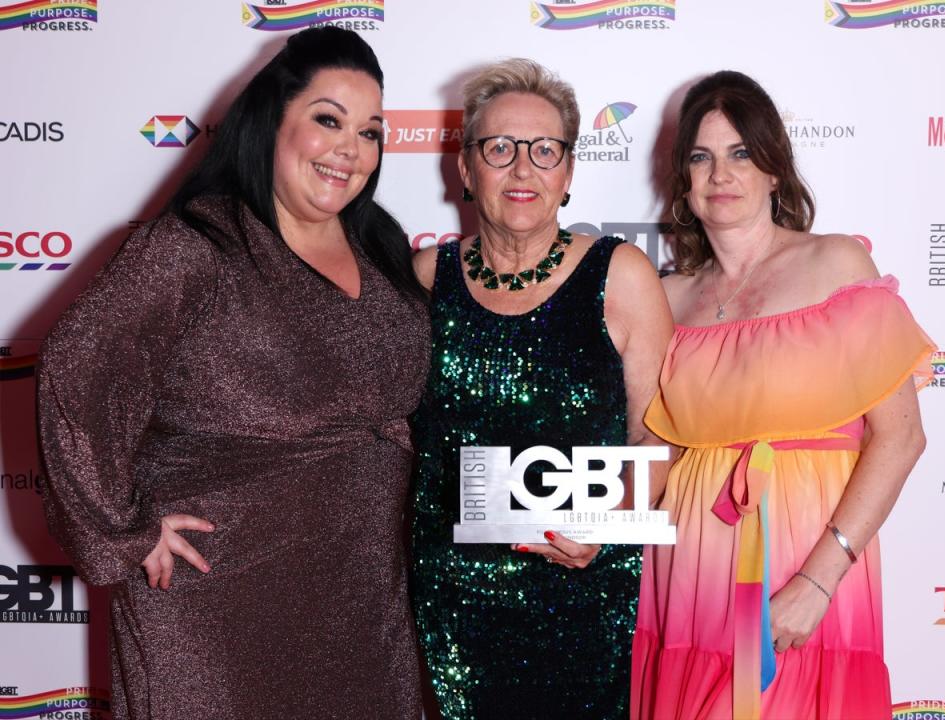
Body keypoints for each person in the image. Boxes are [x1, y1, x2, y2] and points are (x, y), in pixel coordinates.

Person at [37, 27, 429, 720]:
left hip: (364, 597)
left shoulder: (383, 245)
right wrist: (122, 531)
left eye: (371, 132)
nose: (351, 148)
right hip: (218, 604)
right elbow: (79, 372)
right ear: (271, 119)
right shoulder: (196, 246)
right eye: (328, 120)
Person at [631, 70, 935, 720]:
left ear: (775, 169)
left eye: (741, 152)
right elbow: (657, 450)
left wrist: (819, 581)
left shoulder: (836, 265)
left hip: (804, 564)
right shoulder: (668, 298)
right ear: (683, 178)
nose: (721, 174)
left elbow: (902, 436)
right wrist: (584, 520)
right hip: (689, 580)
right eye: (702, 157)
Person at [409, 59, 673, 719]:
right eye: (498, 148)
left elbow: (659, 432)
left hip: (583, 593)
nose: (522, 168)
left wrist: (607, 522)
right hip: (449, 602)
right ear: (466, 169)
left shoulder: (620, 275)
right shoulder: (421, 277)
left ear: (568, 171)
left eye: (544, 150)